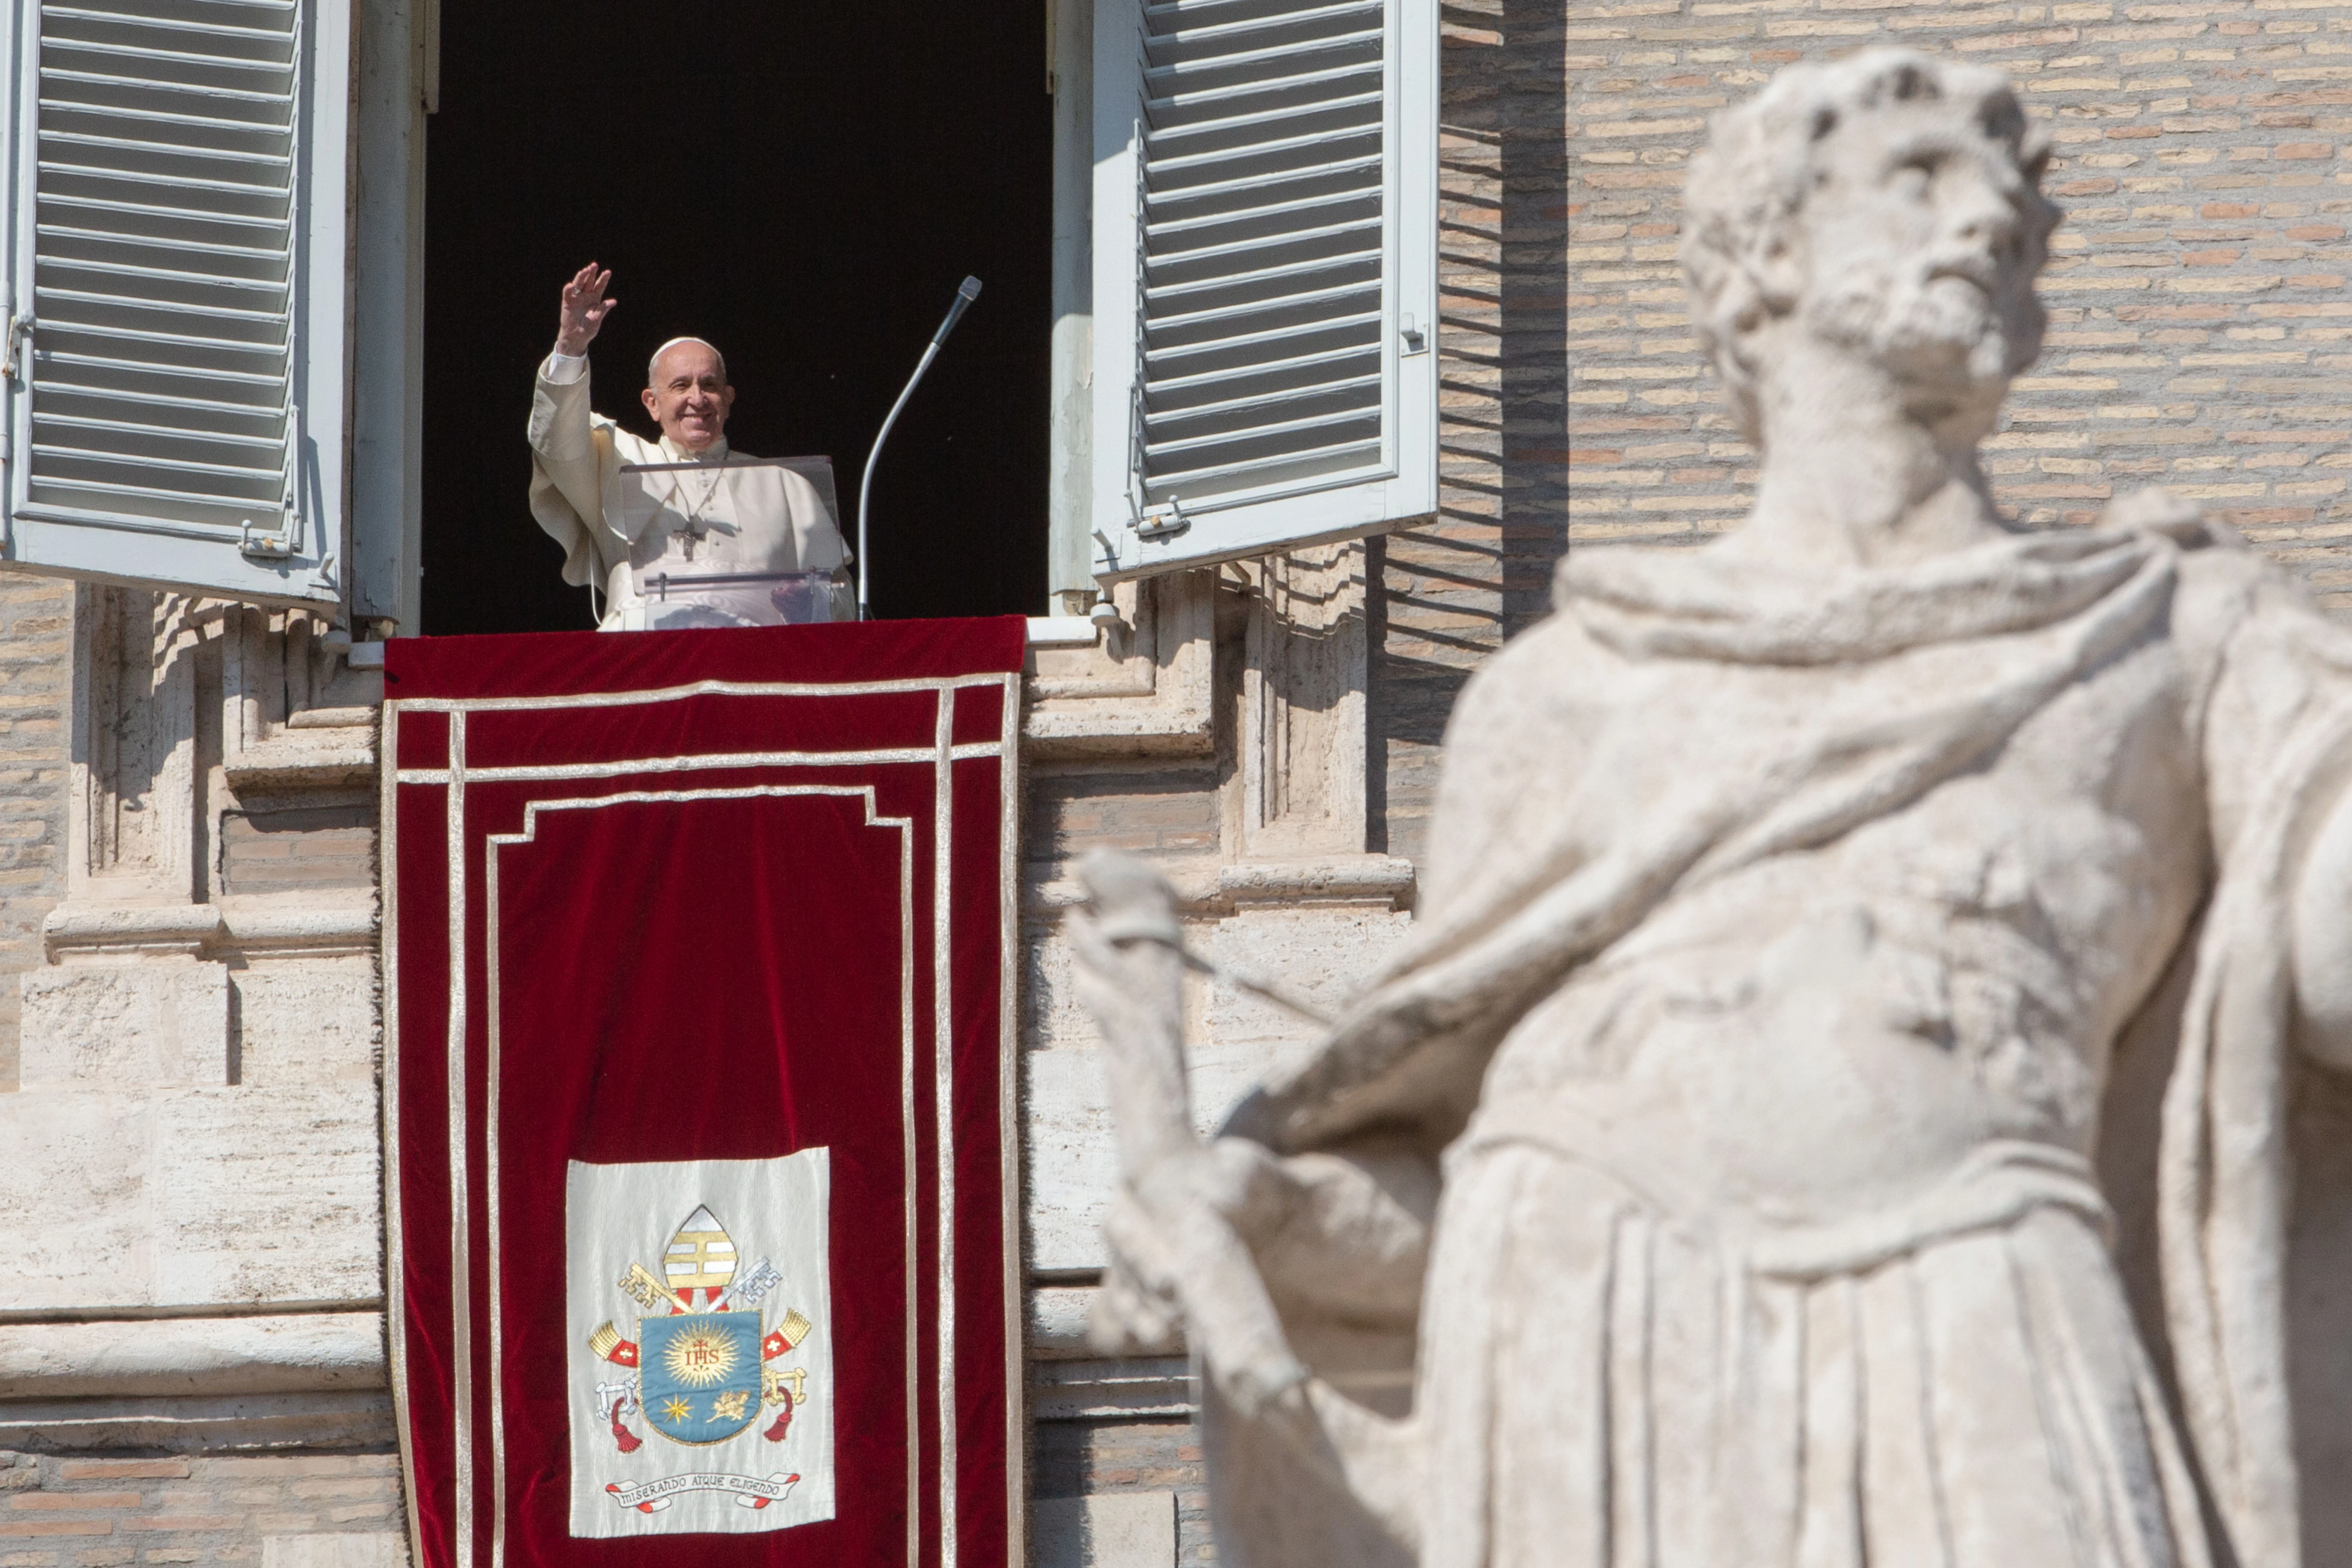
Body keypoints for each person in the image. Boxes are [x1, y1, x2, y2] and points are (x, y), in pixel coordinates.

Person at [1070, 49, 2352, 1568]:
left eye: (2010, 186)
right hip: (1575, 1352)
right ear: (1762, 258)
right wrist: (1269, 1214)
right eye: (1920, 174)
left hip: (1975, 1332)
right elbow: (1450, 1188)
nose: (1994, 210)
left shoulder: (2176, 639)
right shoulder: (1556, 698)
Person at [527, 264, 853, 629]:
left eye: (710, 385)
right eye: (680, 386)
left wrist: (806, 603)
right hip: (640, 656)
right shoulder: (614, 460)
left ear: (728, 399)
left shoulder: (785, 486)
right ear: (652, 402)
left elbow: (840, 596)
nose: (697, 398)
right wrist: (571, 347)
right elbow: (556, 443)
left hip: (752, 661)